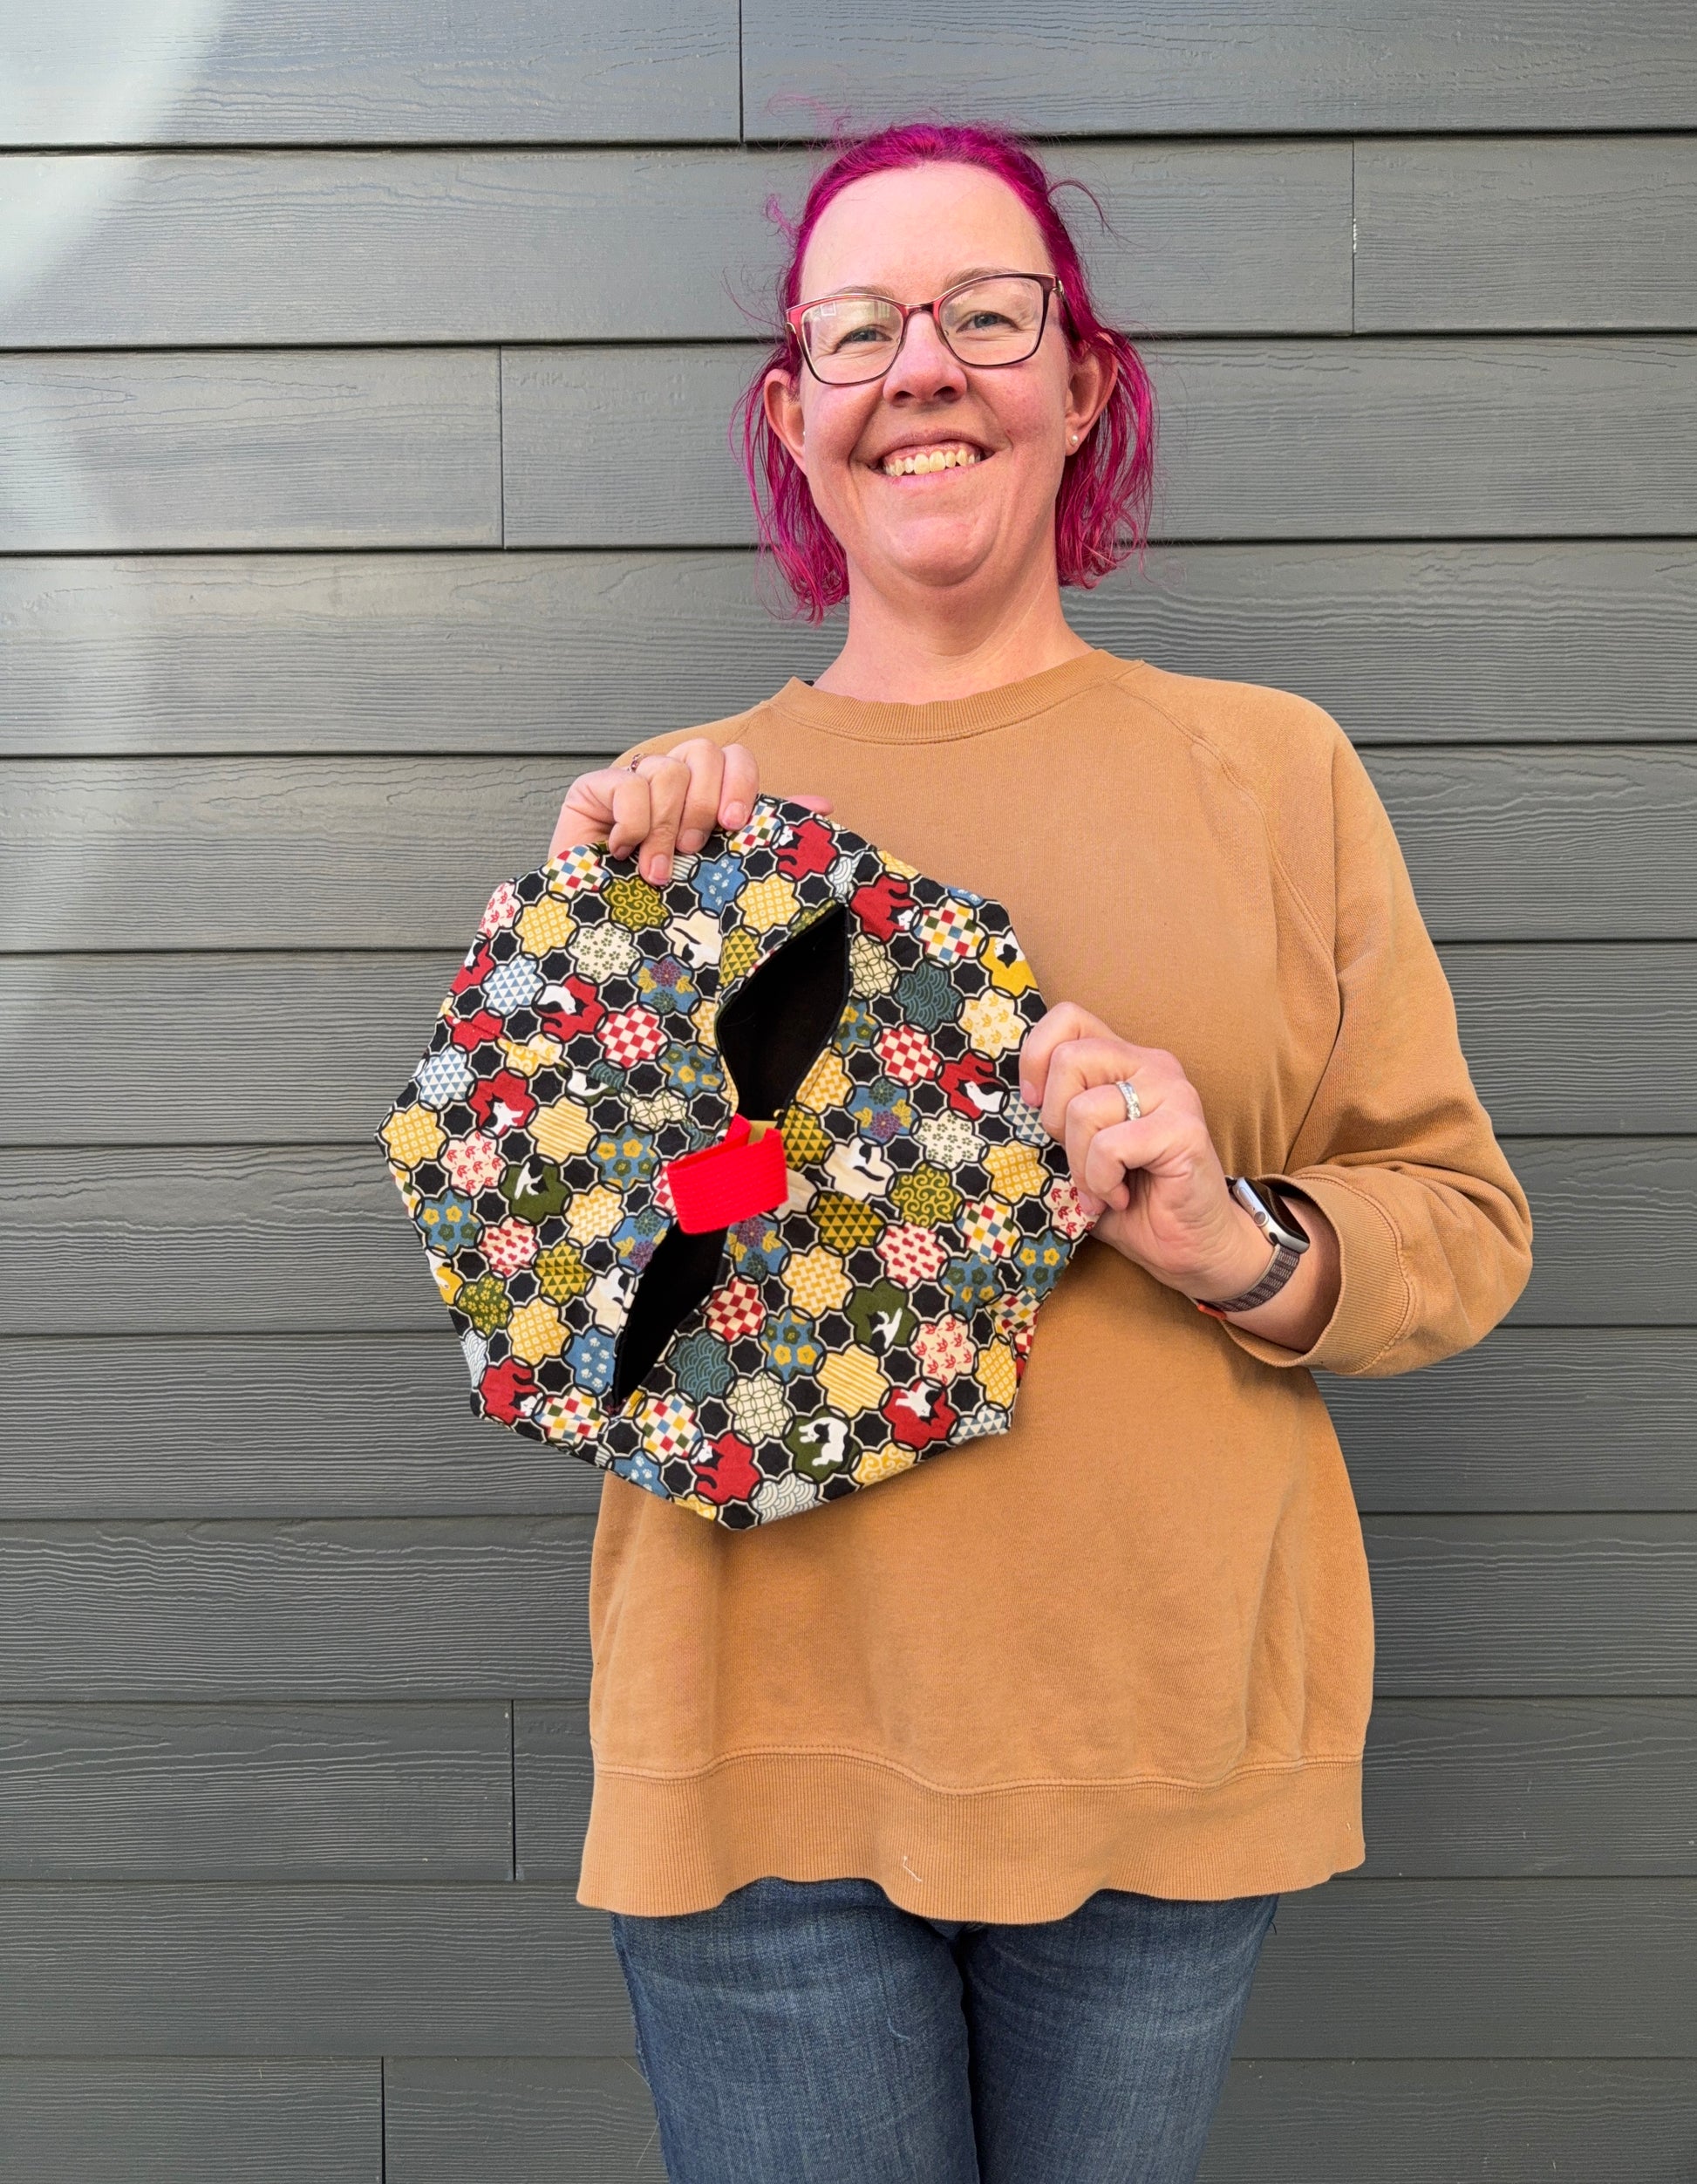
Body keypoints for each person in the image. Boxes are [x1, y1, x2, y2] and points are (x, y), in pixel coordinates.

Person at [543, 121, 1534, 2184]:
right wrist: (580, 976)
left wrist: (1226, 1233)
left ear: (1081, 384)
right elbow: (581, 1301)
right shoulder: (676, 834)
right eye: (861, 328)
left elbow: (1456, 1223)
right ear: (792, 412)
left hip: (1155, 1746)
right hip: (757, 1762)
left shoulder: (1271, 774)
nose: (925, 366)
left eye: (988, 317)